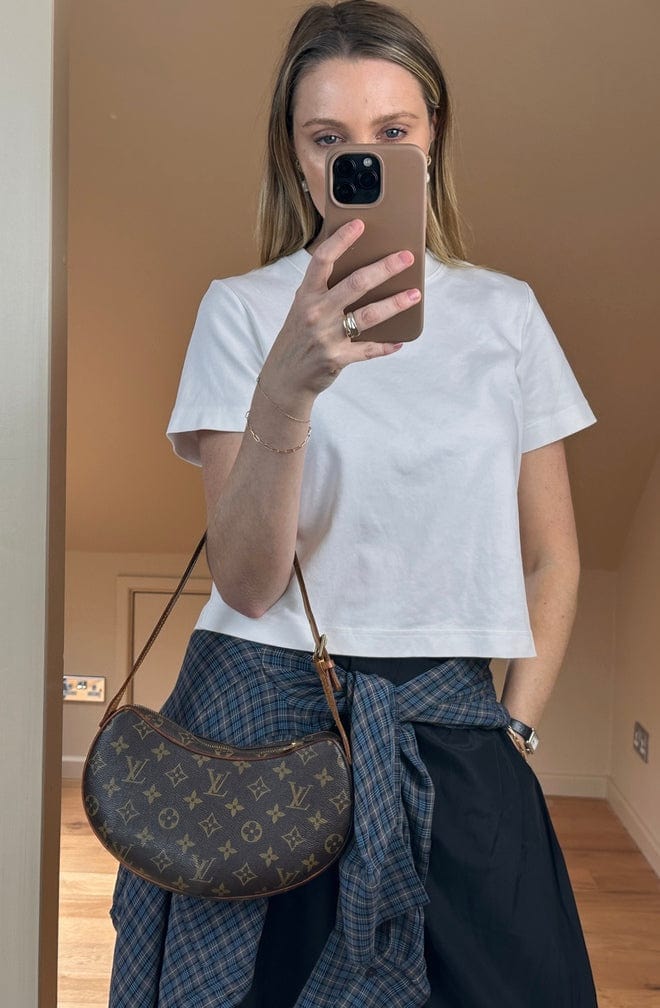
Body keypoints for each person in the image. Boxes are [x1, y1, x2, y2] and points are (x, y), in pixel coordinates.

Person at [108, 2, 599, 1005]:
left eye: (391, 132)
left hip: (457, 726)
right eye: (327, 138)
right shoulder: (242, 311)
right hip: (262, 725)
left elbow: (554, 556)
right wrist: (288, 387)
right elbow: (248, 583)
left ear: (433, 139)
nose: (358, 160)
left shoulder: (507, 315)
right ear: (296, 159)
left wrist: (515, 733)